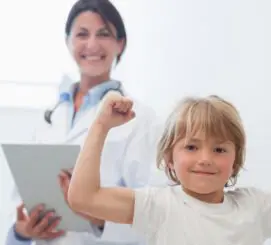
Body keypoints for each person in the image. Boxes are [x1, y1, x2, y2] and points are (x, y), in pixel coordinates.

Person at [67, 93, 271, 245]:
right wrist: (101, 125)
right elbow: (83, 197)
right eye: (192, 147)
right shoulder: (158, 205)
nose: (205, 159)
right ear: (169, 158)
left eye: (219, 149)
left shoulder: (255, 206)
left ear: (235, 161)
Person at [4, 0, 167, 245]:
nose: (92, 44)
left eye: (103, 34)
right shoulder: (50, 116)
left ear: (119, 44)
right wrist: (22, 232)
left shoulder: (140, 119)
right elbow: (18, 200)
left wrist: (99, 220)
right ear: (68, 41)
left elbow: (153, 211)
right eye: (82, 34)